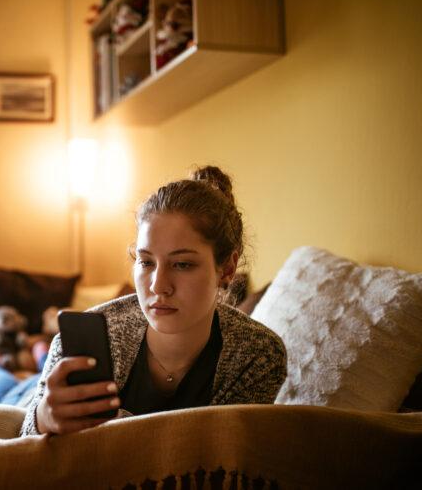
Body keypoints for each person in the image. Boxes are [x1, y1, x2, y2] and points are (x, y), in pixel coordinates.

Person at [20, 166, 287, 436]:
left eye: (182, 264)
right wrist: (43, 417)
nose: (158, 286)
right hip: (24, 392)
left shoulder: (258, 356)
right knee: (0, 383)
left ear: (227, 269)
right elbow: (25, 441)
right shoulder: (86, 341)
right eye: (146, 262)